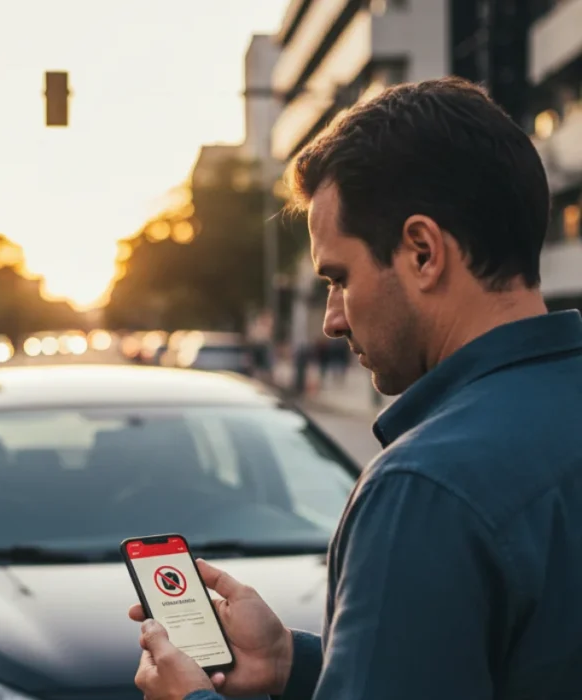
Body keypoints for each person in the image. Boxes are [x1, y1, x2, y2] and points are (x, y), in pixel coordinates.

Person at [131, 76, 582, 700]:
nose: (331, 318)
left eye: (338, 278)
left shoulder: (424, 490)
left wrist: (191, 698)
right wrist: (296, 660)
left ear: (423, 252)